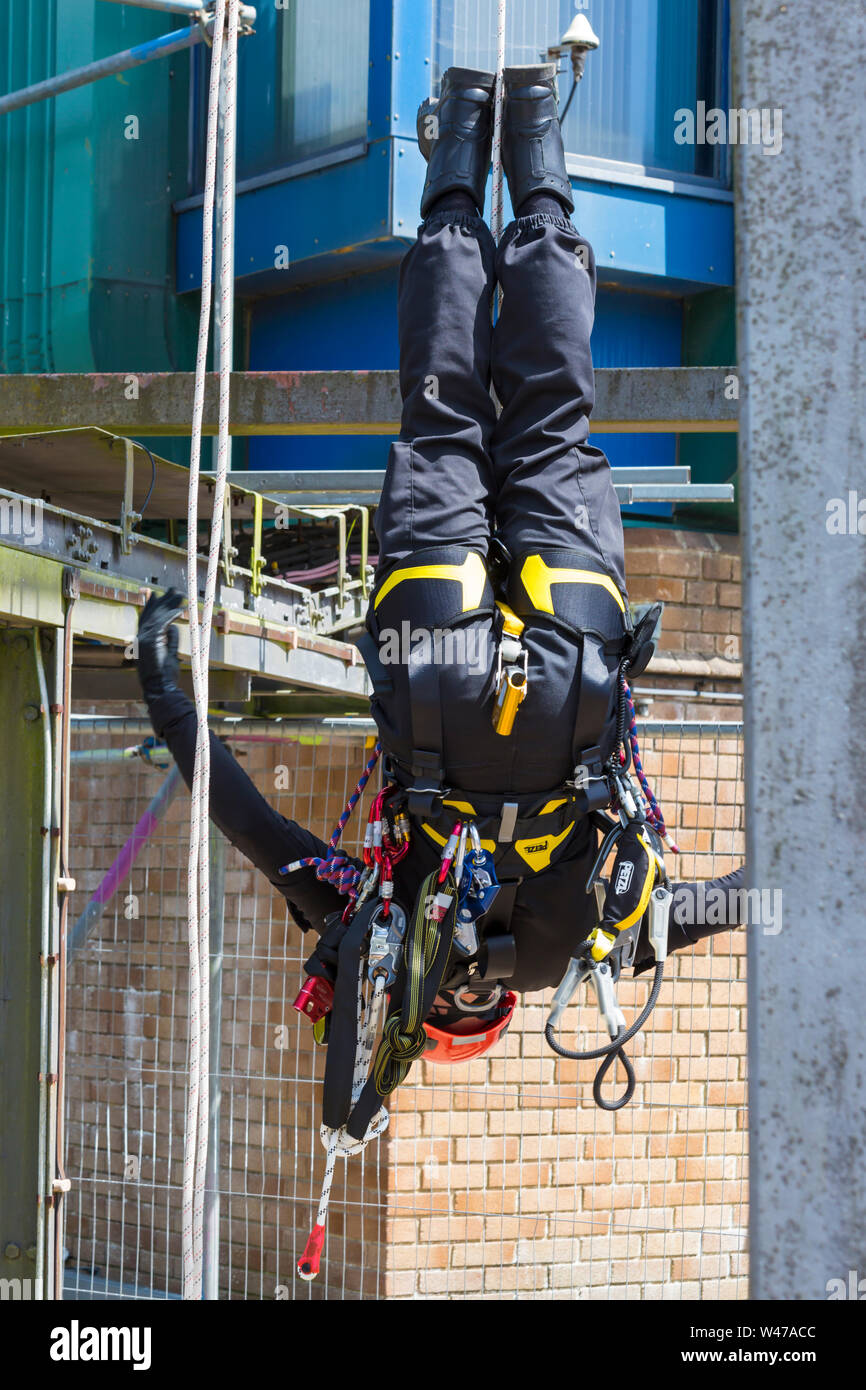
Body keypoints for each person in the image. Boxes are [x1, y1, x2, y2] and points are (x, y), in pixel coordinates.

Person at [136, 65, 744, 1081]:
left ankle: (536, 145)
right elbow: (246, 817)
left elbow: (735, 894)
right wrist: (166, 680)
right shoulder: (377, 917)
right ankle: (459, 146)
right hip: (434, 677)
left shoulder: (588, 945)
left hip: (565, 675)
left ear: (494, 1009)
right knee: (442, 415)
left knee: (549, 414)